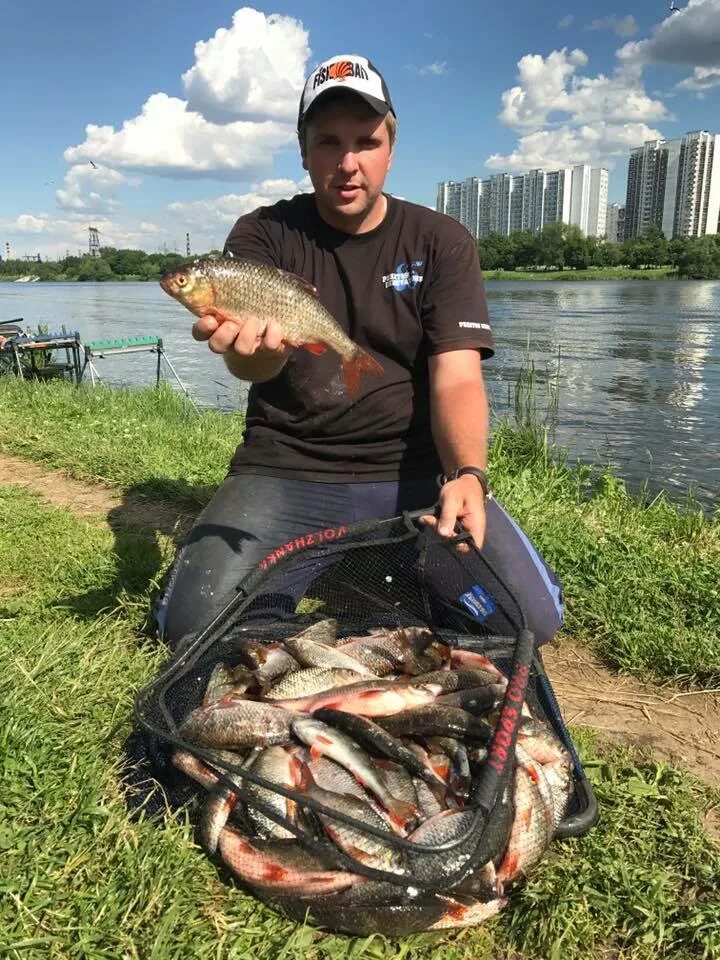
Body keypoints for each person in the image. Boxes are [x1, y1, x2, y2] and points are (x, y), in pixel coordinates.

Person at [155, 54, 563, 649]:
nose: (348, 163)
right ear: (303, 150)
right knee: (192, 628)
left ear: (390, 150)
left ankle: (354, 565)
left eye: (366, 142)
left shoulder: (440, 240)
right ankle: (349, 565)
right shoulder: (263, 233)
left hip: (414, 472)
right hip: (286, 466)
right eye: (328, 142)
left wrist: (468, 474)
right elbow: (253, 363)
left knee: (527, 621)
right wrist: (254, 353)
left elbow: (457, 378)